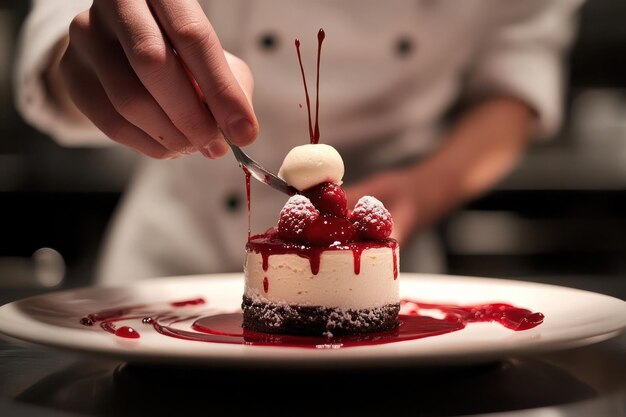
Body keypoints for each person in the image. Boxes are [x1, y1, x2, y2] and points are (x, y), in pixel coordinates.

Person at [15, 0, 582, 285]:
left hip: (382, 272)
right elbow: (70, 22)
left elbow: (518, 79)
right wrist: (97, 70)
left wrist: (421, 190)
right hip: (168, 267)